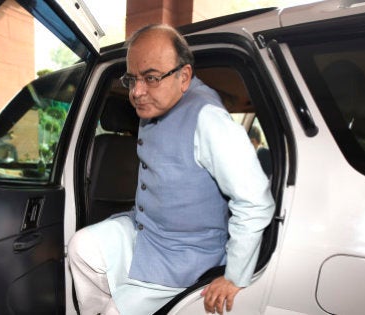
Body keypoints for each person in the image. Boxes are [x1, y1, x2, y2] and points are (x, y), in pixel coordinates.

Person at [68, 24, 274, 315]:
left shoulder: (208, 120)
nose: (137, 92)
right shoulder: (155, 102)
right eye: (132, 79)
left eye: (151, 78)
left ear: (184, 76)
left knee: (115, 311)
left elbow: (255, 202)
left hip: (186, 254)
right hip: (146, 232)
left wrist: (234, 276)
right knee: (81, 247)